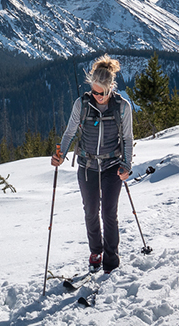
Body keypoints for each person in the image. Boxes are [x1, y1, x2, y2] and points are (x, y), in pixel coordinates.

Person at [51, 54, 133, 274]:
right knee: (90, 211)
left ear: (110, 89)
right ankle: (95, 251)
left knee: (109, 212)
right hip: (87, 165)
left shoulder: (122, 107)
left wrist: (126, 165)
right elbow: (69, 133)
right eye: (94, 91)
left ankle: (111, 260)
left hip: (111, 166)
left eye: (102, 92)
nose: (97, 96)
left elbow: (127, 139)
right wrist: (60, 154)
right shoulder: (82, 104)